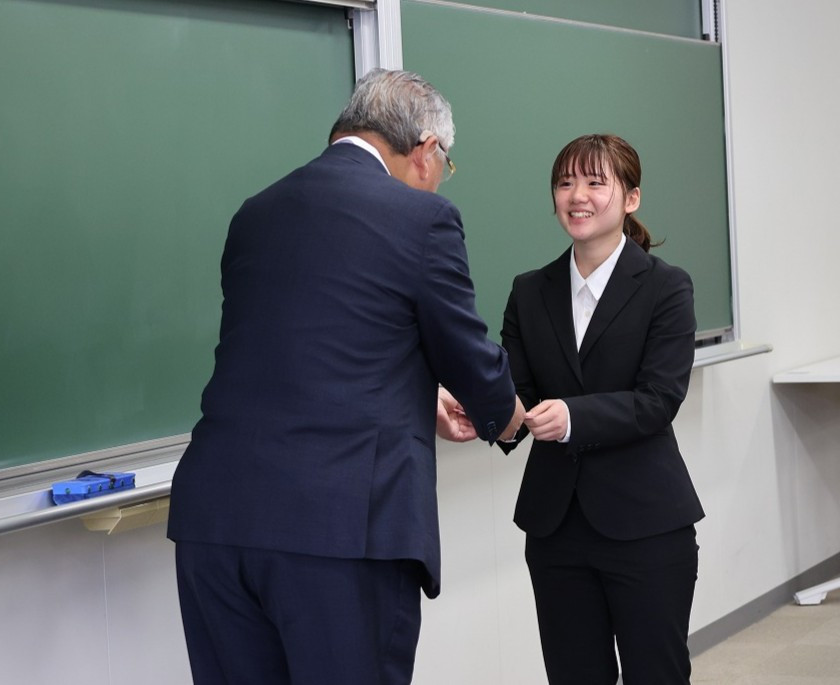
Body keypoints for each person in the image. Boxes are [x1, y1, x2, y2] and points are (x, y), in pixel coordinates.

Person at [167, 68, 524, 685]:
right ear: (426, 150)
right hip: (341, 527)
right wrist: (506, 416)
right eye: (445, 165)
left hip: (217, 520)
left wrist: (420, 397)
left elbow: (307, 347)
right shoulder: (423, 218)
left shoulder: (256, 213)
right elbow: (465, 351)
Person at [497, 134, 704, 684]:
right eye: (565, 183)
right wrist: (487, 413)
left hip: (646, 524)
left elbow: (659, 400)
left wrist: (572, 418)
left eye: (595, 182)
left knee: (655, 673)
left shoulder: (666, 287)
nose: (577, 196)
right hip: (555, 527)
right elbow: (517, 395)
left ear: (631, 198)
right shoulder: (529, 291)